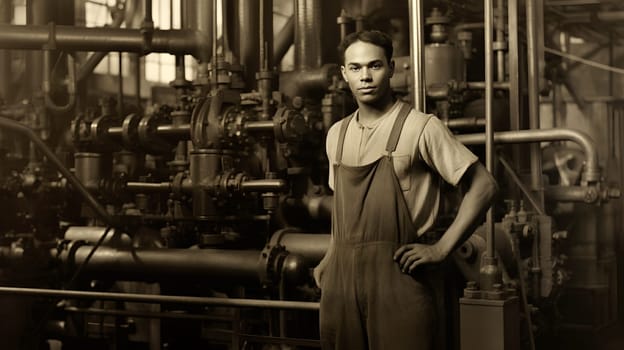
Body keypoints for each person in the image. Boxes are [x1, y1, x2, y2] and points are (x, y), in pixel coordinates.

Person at [313, 30, 498, 349]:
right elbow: (345, 210)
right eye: (355, 68)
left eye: (375, 66)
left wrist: (441, 248)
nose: (365, 76)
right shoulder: (336, 135)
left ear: (392, 68)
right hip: (341, 281)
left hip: (400, 275)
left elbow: (485, 186)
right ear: (344, 74)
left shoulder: (420, 127)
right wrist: (331, 256)